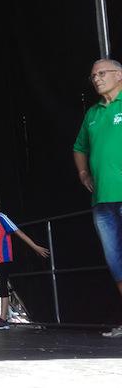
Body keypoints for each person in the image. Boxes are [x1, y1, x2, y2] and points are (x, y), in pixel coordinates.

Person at [73, 58, 122, 338]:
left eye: (102, 73)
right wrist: (83, 174)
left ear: (119, 75)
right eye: (93, 76)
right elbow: (79, 147)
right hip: (102, 201)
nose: (96, 79)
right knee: (116, 262)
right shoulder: (92, 113)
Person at [0, 191, 49, 330]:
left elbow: (19, 233)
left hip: (3, 258)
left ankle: (3, 319)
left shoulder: (2, 218)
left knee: (2, 287)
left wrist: (35, 247)